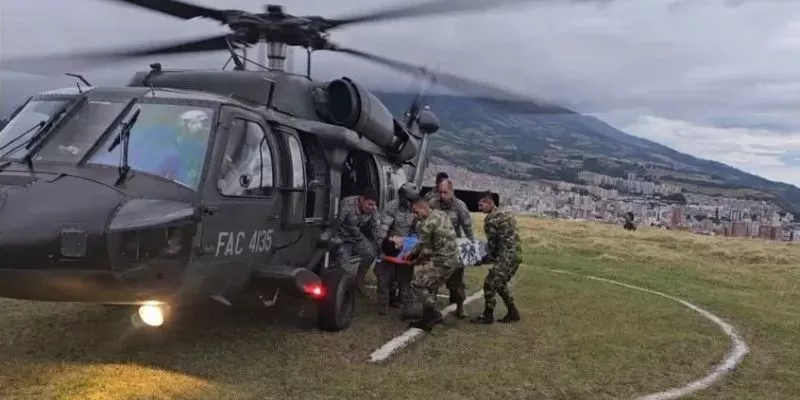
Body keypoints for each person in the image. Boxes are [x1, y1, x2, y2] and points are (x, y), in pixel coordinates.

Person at [402, 198, 462, 332]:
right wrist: (412, 252)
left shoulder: (426, 224)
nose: (415, 216)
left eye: (416, 212)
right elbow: (423, 244)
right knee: (431, 285)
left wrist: (412, 262)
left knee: (417, 283)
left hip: (442, 261)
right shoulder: (440, 214)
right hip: (453, 259)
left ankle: (431, 315)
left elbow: (426, 252)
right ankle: (429, 317)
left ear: (423, 208)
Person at [471, 191, 522, 324]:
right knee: (499, 283)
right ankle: (513, 312)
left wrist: (481, 259)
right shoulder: (506, 213)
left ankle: (488, 315)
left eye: (481, 205)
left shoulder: (491, 219)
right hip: (515, 255)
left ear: (488, 203)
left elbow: (492, 246)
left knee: (490, 282)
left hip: (506, 256)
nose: (479, 208)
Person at [429, 178, 474, 318]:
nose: (442, 195)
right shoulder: (433, 204)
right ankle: (431, 308)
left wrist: (472, 245)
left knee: (457, 282)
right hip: (437, 249)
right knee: (433, 279)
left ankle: (460, 306)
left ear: (451, 191)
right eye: (440, 192)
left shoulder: (460, 206)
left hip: (454, 249)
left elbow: (467, 227)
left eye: (445, 192)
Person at [376, 183, 420, 318]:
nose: (411, 203)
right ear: (402, 197)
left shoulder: (415, 209)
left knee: (405, 278)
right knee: (384, 278)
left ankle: (403, 301)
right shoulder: (392, 207)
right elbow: (383, 229)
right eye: (409, 200)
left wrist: (412, 247)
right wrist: (382, 249)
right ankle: (384, 304)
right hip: (390, 244)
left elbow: (418, 229)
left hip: (406, 245)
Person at [331, 188, 381, 296]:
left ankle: (360, 281)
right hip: (342, 237)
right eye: (369, 204)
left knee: (370, 253)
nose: (372, 208)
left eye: (373, 205)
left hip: (357, 236)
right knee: (344, 266)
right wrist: (333, 239)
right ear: (362, 200)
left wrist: (381, 246)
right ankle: (343, 289)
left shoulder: (373, 209)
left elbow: (376, 229)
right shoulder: (347, 204)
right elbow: (336, 223)